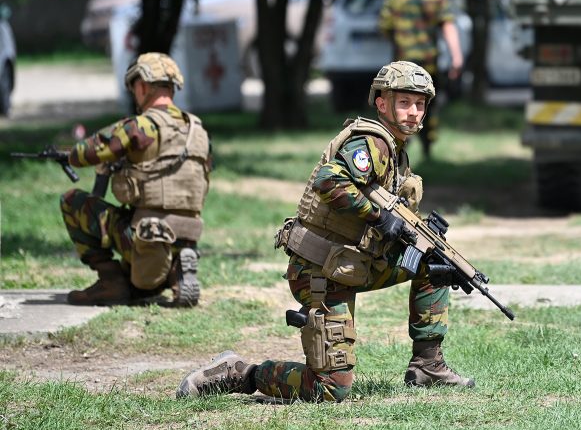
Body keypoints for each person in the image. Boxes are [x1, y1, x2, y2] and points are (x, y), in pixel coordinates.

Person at [176, 61, 473, 402]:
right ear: (381, 103)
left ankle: (427, 366)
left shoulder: (396, 153)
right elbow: (329, 180)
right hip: (320, 270)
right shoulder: (372, 142)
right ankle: (238, 372)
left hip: (352, 263)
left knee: (433, 262)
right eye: (404, 102)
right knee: (330, 389)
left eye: (420, 104)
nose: (413, 112)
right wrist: (379, 216)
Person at [59, 52, 211, 307]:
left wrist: (68, 154)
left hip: (145, 234)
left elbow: (86, 152)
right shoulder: (198, 131)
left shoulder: (139, 126)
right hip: (187, 233)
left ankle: (110, 282)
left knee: (72, 201)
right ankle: (176, 270)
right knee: (146, 237)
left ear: (142, 86)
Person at [377, 0, 463, 158]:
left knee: (400, 103)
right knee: (425, 103)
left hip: (402, 62)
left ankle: (396, 147)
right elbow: (448, 26)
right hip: (428, 62)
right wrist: (456, 57)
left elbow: (384, 26)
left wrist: (398, 41)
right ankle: (428, 148)